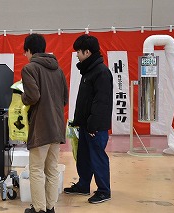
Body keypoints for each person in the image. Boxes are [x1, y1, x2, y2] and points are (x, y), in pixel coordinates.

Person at [21, 34, 69, 213]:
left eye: (25, 52)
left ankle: (39, 209)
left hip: (40, 127)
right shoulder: (58, 69)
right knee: (52, 170)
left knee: (36, 170)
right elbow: (64, 98)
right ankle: (50, 207)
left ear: (29, 50)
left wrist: (23, 97)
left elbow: (33, 96)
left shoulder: (29, 68)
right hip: (57, 126)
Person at [63, 34, 113, 204]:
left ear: (88, 52)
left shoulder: (101, 73)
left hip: (95, 127)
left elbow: (101, 103)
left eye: (79, 51)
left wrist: (93, 125)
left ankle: (104, 190)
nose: (77, 54)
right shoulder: (89, 71)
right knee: (84, 156)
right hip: (86, 125)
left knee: (97, 156)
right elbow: (86, 101)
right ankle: (83, 185)